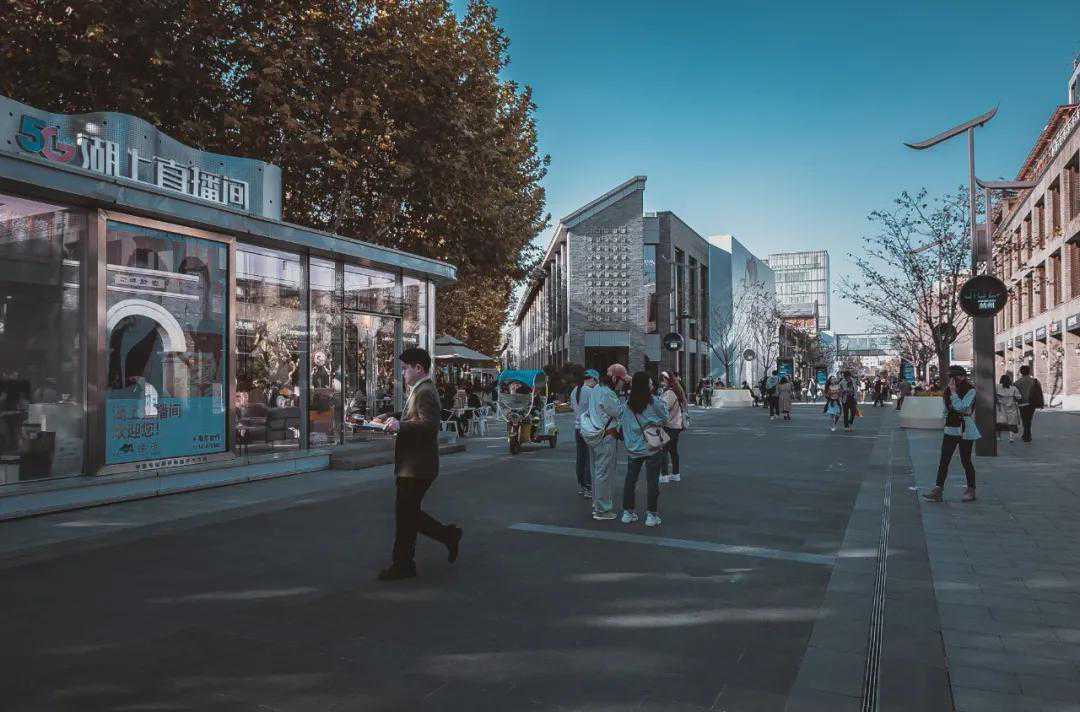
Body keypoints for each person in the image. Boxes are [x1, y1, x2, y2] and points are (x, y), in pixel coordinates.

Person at [374, 347, 461, 581]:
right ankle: (436, 542)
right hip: (414, 465)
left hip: (417, 466)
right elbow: (413, 416)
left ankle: (405, 562)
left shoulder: (425, 392)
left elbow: (429, 425)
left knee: (406, 516)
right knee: (407, 515)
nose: (402, 373)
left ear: (418, 368)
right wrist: (390, 416)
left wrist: (400, 426)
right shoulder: (420, 390)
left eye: (405, 369)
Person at [619, 371, 670, 527]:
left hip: (634, 448)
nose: (652, 384)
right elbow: (665, 418)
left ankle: (628, 512)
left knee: (630, 480)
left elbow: (624, 425)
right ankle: (651, 516)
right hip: (652, 446)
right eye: (650, 382)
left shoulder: (628, 403)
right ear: (645, 385)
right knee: (652, 481)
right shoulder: (654, 401)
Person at [580, 363, 629, 521]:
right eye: (622, 380)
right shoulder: (607, 393)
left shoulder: (596, 390)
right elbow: (618, 412)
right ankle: (602, 509)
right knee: (604, 473)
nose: (623, 384)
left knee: (597, 472)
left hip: (595, 435)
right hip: (606, 437)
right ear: (615, 378)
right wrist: (626, 403)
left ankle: (597, 505)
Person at [923, 365, 979, 503]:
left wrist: (953, 393)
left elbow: (962, 407)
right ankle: (938, 489)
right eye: (951, 377)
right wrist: (944, 420)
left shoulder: (970, 390)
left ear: (962, 377)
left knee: (965, 460)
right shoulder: (948, 390)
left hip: (965, 429)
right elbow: (946, 408)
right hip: (951, 427)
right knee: (944, 459)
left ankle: (971, 489)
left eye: (955, 376)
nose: (953, 380)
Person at [571, 369, 599, 498]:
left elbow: (574, 408)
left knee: (580, 458)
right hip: (588, 428)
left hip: (578, 428)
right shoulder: (590, 391)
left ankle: (582, 485)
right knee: (589, 458)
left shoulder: (574, 391)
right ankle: (588, 487)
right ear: (591, 379)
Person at [657, 371, 686, 484]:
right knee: (673, 450)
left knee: (664, 450)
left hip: (669, 425)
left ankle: (664, 475)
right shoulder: (677, 390)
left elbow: (663, 408)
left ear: (667, 380)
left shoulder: (669, 393)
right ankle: (675, 473)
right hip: (676, 424)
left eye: (663, 379)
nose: (661, 382)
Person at [1013, 365, 1044, 443]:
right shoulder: (1035, 381)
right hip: (1031, 403)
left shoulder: (1017, 383)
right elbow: (1039, 392)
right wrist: (1041, 403)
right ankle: (1027, 434)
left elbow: (1014, 394)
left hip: (1022, 403)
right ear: (1029, 371)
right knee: (1029, 419)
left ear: (1021, 372)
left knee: (1024, 419)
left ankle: (1026, 435)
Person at [995, 372, 1022, 443]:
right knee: (1011, 423)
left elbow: (994, 395)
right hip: (1011, 407)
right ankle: (1011, 437)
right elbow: (1019, 397)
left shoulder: (997, 387)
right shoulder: (1013, 388)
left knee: (999, 422)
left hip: (1000, 407)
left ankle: (998, 437)